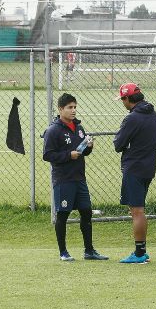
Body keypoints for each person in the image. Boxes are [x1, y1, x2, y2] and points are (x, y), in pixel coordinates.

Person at [42, 93, 107, 262]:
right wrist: (67, 155)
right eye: (69, 107)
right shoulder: (53, 130)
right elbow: (47, 155)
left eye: (75, 107)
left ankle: (89, 251)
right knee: (63, 215)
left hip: (79, 178)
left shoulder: (79, 128)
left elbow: (82, 152)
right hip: (63, 179)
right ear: (60, 109)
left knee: (86, 212)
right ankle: (63, 252)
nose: (73, 110)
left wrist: (89, 147)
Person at [113, 83, 156, 264]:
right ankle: (141, 251)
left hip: (134, 168)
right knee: (138, 209)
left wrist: (124, 142)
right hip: (148, 167)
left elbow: (118, 144)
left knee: (137, 211)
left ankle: (140, 253)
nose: (122, 103)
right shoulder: (153, 115)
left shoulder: (132, 118)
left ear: (127, 98)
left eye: (122, 99)